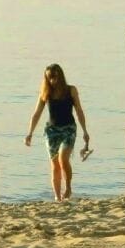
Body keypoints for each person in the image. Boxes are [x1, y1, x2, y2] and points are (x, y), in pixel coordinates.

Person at [24, 63, 90, 202]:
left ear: (60, 76)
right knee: (55, 165)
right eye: (50, 78)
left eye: (55, 77)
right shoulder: (45, 93)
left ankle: (68, 187)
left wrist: (85, 131)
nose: (53, 81)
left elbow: (79, 110)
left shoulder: (71, 90)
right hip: (51, 131)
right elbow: (36, 114)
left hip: (68, 129)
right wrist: (29, 133)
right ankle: (57, 197)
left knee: (63, 158)